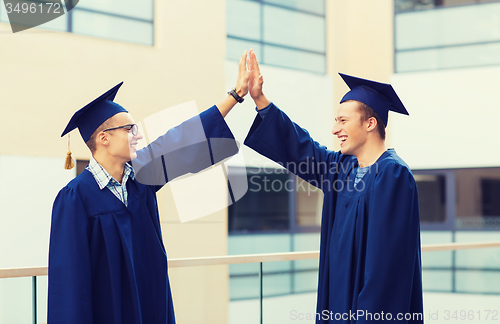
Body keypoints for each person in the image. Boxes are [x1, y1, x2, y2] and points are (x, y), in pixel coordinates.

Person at [47, 51, 251, 324]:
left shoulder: (142, 176)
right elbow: (69, 285)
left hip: (151, 308)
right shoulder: (75, 198)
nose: (138, 134)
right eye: (130, 129)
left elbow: (180, 139)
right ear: (104, 138)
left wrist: (235, 95)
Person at [244, 50, 423, 323]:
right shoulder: (342, 168)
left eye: (342, 121)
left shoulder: (393, 175)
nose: (334, 129)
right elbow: (302, 148)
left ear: (370, 123)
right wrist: (260, 100)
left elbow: (386, 270)